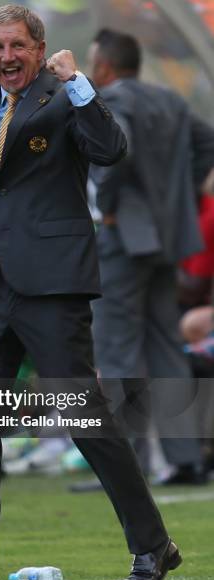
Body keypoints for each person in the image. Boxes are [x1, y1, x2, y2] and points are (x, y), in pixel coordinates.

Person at [0, 4, 181, 580]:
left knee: (84, 417)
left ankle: (153, 546)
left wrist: (79, 82)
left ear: (39, 46)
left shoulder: (66, 94)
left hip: (54, 283)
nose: (6, 58)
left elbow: (110, 149)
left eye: (18, 47)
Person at [87, 29, 214, 485]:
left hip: (124, 241)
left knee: (117, 351)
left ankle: (127, 469)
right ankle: (185, 460)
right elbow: (207, 143)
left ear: (103, 67)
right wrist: (177, 198)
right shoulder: (169, 99)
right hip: (165, 240)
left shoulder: (113, 100)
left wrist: (110, 205)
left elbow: (118, 156)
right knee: (165, 347)